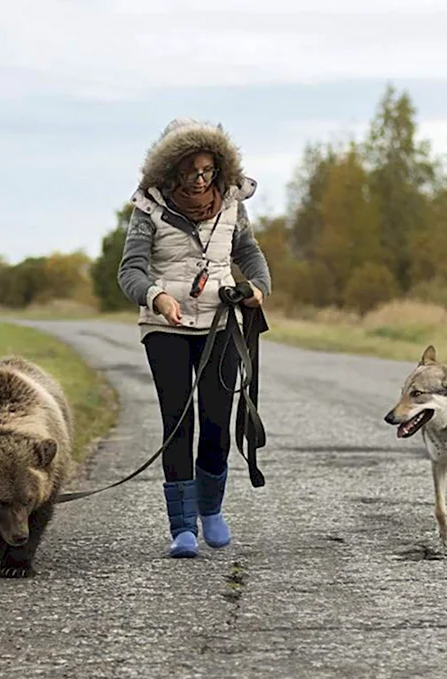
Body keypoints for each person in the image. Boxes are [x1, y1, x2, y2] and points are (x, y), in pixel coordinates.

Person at [117, 117, 272, 559]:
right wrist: (156, 297)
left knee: (219, 421)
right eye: (191, 172)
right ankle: (183, 526)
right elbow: (129, 270)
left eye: (207, 171)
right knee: (178, 422)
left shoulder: (232, 204)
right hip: (166, 326)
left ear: (218, 167)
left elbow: (249, 252)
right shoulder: (148, 208)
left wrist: (258, 287)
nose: (200, 180)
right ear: (172, 172)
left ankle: (211, 510)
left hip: (222, 323)